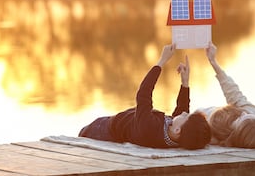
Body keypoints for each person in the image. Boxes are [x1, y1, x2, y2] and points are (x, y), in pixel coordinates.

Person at [78, 44, 211, 150]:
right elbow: (181, 111)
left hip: (105, 130)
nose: (184, 112)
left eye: (186, 116)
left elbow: (143, 94)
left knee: (82, 136)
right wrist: (185, 83)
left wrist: (161, 62)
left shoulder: (149, 128)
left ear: (177, 130)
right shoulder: (178, 138)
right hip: (119, 122)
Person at [196, 42, 255, 149]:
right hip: (222, 112)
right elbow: (235, 95)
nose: (243, 112)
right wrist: (213, 62)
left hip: (201, 115)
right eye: (247, 114)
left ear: (235, 133)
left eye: (241, 118)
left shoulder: (214, 136)